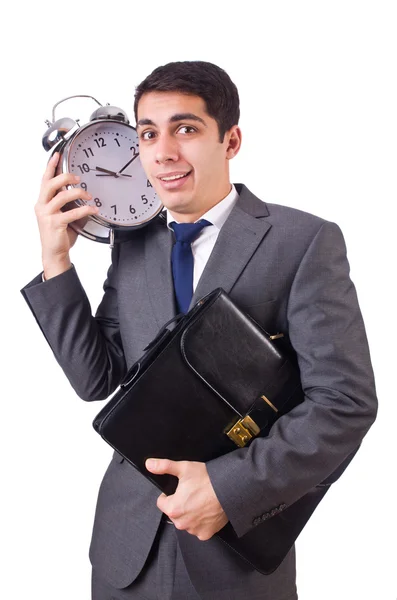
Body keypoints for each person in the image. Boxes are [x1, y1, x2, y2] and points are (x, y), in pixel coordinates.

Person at [21, 61, 378, 600]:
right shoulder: (134, 242)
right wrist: (55, 261)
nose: (163, 151)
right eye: (148, 133)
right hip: (126, 555)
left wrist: (227, 488)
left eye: (185, 129)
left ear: (230, 140)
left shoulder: (302, 241)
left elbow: (344, 402)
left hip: (234, 557)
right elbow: (96, 378)